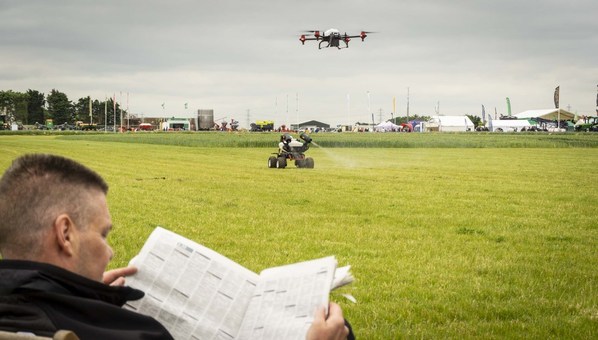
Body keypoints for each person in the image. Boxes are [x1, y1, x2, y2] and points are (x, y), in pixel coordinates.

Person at [0, 154, 352, 339]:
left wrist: (81, 298)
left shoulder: (21, 310)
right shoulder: (127, 332)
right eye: (103, 235)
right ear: (65, 233)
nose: (110, 253)